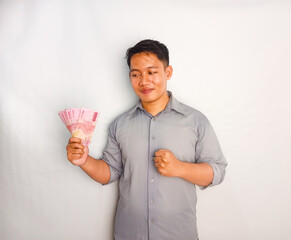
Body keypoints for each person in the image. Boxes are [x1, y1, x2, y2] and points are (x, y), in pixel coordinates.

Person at [66, 39, 227, 240]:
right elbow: (110, 172)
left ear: (167, 72)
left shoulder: (195, 121)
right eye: (136, 74)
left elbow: (217, 171)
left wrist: (179, 168)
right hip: (129, 234)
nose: (144, 81)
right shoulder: (120, 125)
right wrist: (84, 161)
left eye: (151, 72)